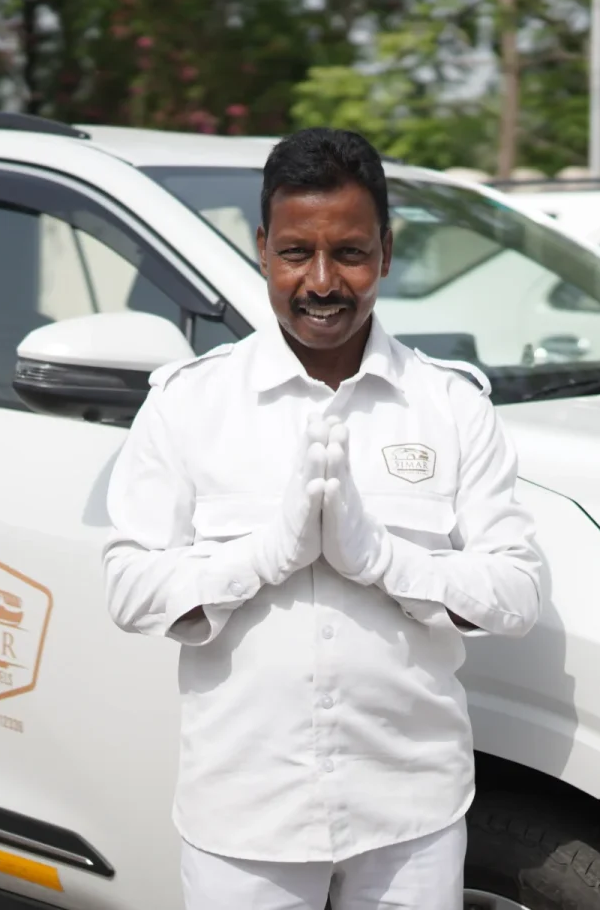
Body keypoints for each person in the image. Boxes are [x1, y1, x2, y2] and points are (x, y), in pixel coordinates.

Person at [101, 128, 548, 910]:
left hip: (410, 809)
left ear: (385, 252)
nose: (321, 281)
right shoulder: (192, 403)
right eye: (295, 253)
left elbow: (518, 592)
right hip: (246, 814)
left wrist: (380, 558)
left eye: (349, 253)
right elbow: (130, 587)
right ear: (261, 247)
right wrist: (265, 555)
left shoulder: (448, 405)